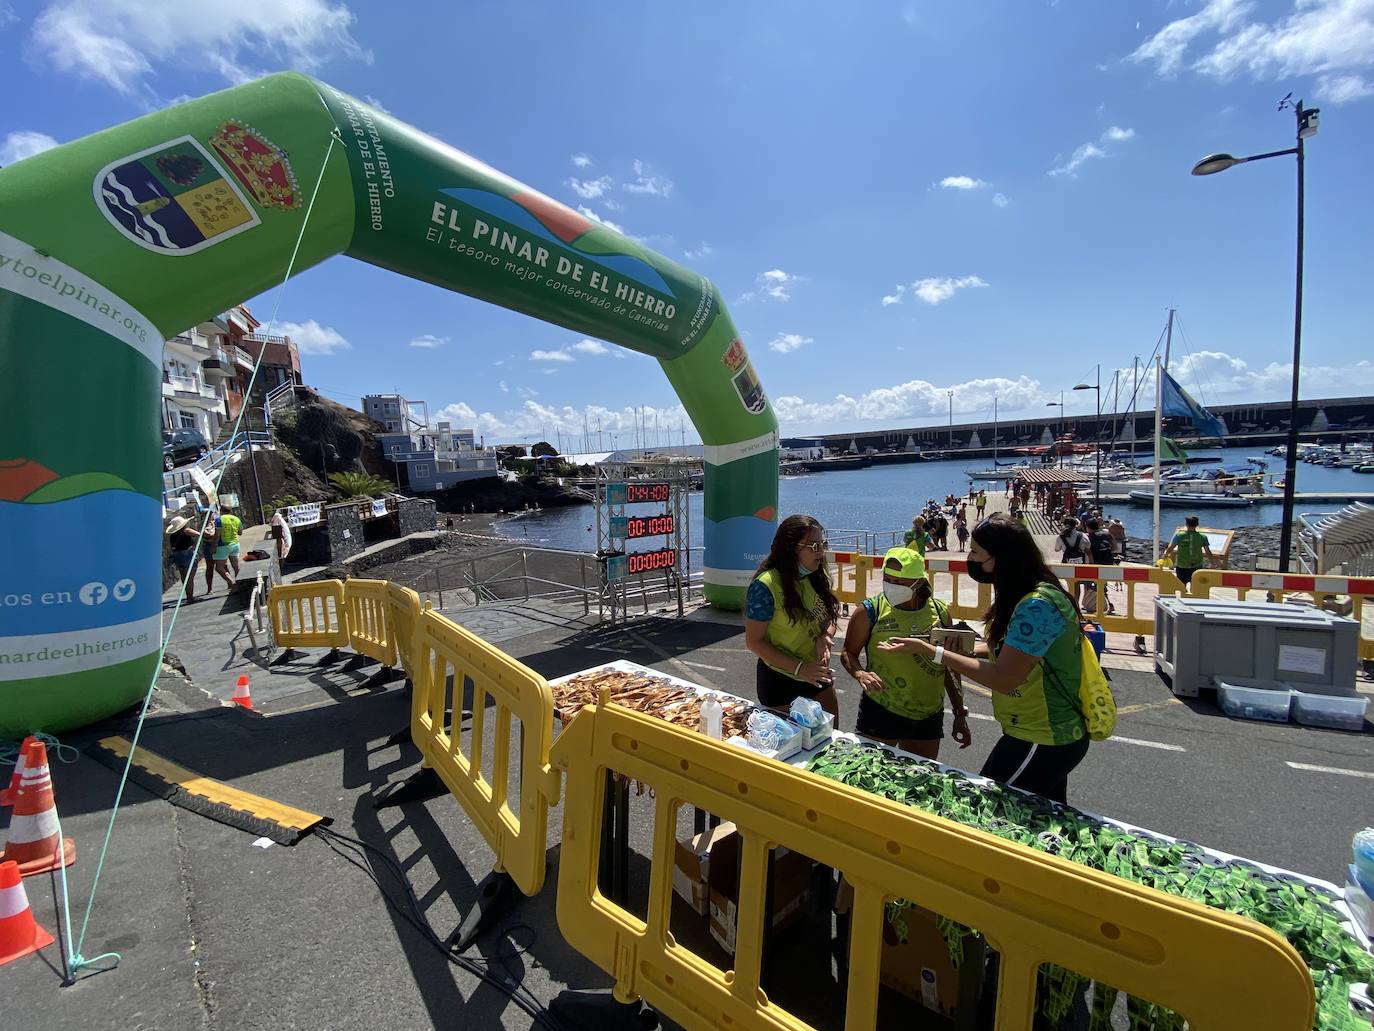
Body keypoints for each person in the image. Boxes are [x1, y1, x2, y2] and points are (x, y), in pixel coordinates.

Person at [877, 514, 1090, 803]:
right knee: (1039, 823)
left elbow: (1004, 678)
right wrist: (961, 648)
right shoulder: (1032, 591)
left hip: (1042, 737)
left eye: (976, 552)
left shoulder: (1035, 606)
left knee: (989, 810)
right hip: (1041, 733)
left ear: (1002, 557)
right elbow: (1012, 651)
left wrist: (934, 652)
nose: (970, 558)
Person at [842, 548, 971, 759]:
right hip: (881, 709)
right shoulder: (868, 611)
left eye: (899, 582)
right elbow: (848, 652)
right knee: (871, 776)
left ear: (918, 583)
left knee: (918, 779)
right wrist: (860, 674)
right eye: (887, 578)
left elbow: (950, 665)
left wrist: (959, 712)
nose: (891, 585)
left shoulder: (939, 612)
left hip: (928, 715)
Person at [745, 514, 840, 718]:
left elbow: (830, 616)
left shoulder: (814, 575)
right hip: (781, 679)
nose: (821, 552)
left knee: (829, 741)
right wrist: (799, 669)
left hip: (815, 673)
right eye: (814, 546)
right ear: (791, 548)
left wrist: (825, 636)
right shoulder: (765, 587)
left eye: (823, 544)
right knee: (793, 746)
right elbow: (754, 642)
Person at [166, 515, 209, 601]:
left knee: (184, 577)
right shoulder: (186, 530)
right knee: (189, 577)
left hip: (178, 555)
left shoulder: (173, 535)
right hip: (187, 554)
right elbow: (198, 534)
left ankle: (189, 596)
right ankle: (190, 597)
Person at [1163, 515, 1215, 586]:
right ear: (1197, 525)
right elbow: (1208, 552)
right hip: (1197, 566)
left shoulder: (1179, 536)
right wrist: (1212, 563)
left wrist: (1165, 555)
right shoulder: (1202, 537)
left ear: (1186, 524)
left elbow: (1171, 547)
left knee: (1181, 586)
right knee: (1196, 587)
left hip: (1182, 565)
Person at [205, 507, 241, 594]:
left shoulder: (219, 520)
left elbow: (217, 535)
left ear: (221, 511)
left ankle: (232, 584)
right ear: (230, 511)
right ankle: (241, 585)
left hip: (223, 545)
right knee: (236, 566)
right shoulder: (236, 519)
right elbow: (240, 532)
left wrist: (214, 546)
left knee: (219, 567)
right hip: (235, 544)